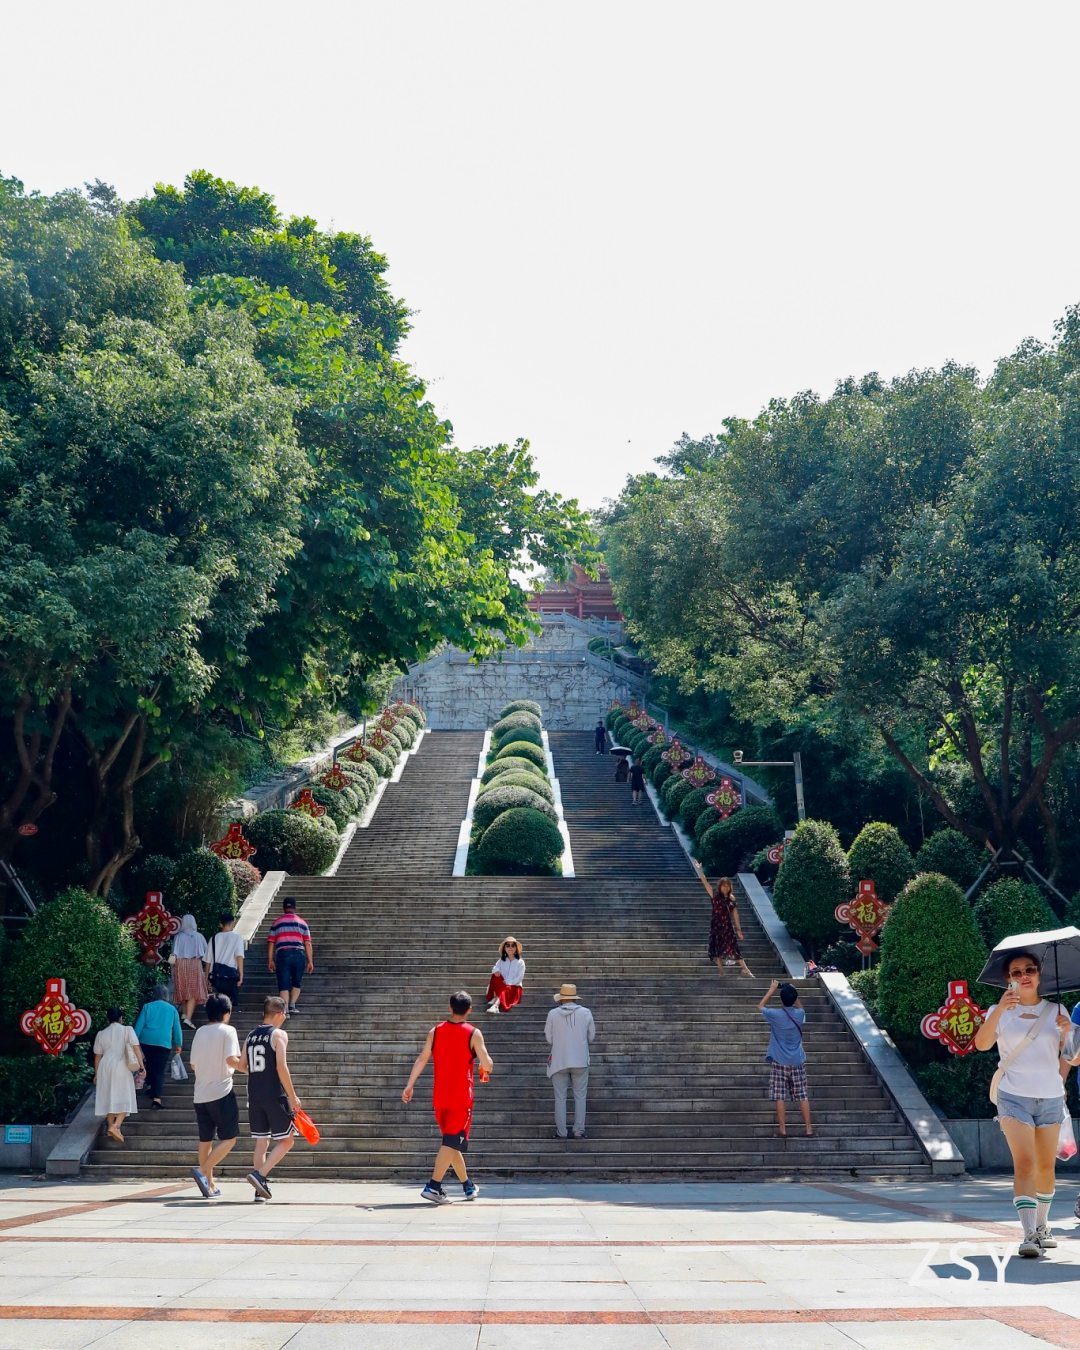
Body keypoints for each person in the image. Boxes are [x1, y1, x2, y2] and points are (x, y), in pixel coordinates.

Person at [975, 949, 1077, 1257]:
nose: (1024, 976)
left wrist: (1068, 1032)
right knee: (1026, 1163)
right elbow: (981, 1044)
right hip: (1012, 1097)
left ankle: (1044, 1226)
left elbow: (1074, 1057)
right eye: (1016, 972)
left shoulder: (1057, 1009)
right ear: (1007, 979)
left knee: (1046, 1167)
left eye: (1029, 970)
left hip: (1049, 1097)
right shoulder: (999, 1010)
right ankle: (1029, 1234)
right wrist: (998, 1011)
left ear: (1039, 974)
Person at [401, 990, 494, 1204]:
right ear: (469, 1010)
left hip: (440, 1097)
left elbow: (422, 1058)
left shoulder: (435, 1031)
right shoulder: (473, 1033)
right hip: (461, 1098)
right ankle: (433, 1186)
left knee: (451, 1143)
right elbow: (487, 1064)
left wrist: (410, 1085)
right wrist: (486, 1064)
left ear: (450, 1008)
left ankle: (468, 1186)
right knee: (451, 1142)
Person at [242, 995, 302, 1202]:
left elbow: (243, 1066)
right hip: (274, 1094)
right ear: (279, 1014)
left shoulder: (250, 1035)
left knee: (261, 1143)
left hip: (254, 1095)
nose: (285, 1018)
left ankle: (260, 1190)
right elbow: (281, 1066)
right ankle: (260, 1175)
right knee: (287, 1140)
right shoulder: (279, 1035)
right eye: (284, 1014)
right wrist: (293, 1096)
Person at [189, 992, 242, 1199]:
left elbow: (193, 1064)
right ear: (227, 1013)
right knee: (229, 1139)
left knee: (206, 1140)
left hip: (200, 1094)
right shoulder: (228, 1031)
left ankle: (209, 1184)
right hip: (222, 1092)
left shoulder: (200, 1031)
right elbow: (232, 1060)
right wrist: (248, 1068)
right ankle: (203, 1172)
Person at [759, 979, 813, 1139]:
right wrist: (793, 993)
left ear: (781, 999)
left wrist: (772, 990)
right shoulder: (800, 1014)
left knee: (780, 1095)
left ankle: (783, 1129)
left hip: (779, 1061)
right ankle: (808, 1128)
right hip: (797, 1060)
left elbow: (760, 1006)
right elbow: (800, 1007)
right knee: (802, 1094)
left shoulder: (775, 1015)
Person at [545, 984, 595, 1140]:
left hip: (559, 1060)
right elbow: (591, 1036)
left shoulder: (552, 1014)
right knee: (580, 1097)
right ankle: (578, 1130)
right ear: (574, 998)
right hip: (580, 1060)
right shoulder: (586, 1013)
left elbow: (549, 1038)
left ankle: (561, 1132)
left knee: (560, 1098)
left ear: (561, 999)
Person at [94, 1007, 144, 1144]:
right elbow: (135, 1047)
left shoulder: (101, 1033)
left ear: (108, 1019)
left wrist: (96, 1074)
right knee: (125, 1095)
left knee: (108, 1096)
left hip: (105, 1066)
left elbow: (98, 1056)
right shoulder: (127, 1030)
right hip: (121, 1065)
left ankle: (111, 1126)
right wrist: (141, 1065)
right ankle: (116, 1126)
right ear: (120, 1018)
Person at [133, 985, 182, 1109]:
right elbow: (177, 1028)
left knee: (149, 1063)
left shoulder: (147, 1007)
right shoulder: (172, 1010)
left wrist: (134, 1039)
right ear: (166, 995)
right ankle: (157, 1099)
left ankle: (150, 1086)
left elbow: (139, 1026)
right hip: (163, 1042)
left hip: (146, 1040)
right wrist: (178, 1043)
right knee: (159, 1070)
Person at [267, 896, 313, 1017]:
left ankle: (285, 1010)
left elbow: (271, 942)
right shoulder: (302, 923)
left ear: (283, 908)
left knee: (283, 983)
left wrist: (270, 960)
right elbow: (307, 943)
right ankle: (292, 1005)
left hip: (283, 954)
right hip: (299, 954)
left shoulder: (276, 922)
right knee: (296, 982)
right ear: (295, 908)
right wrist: (310, 961)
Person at [709, 877, 753, 978]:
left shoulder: (731, 900)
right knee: (717, 949)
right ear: (720, 887)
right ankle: (721, 971)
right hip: (716, 927)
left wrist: (738, 929)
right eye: (724, 886)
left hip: (727, 927)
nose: (726, 888)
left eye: (728, 886)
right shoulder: (715, 896)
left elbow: (736, 915)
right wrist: (700, 871)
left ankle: (744, 968)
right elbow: (705, 883)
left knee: (734, 947)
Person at [172, 914, 210, 1030]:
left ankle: (184, 1014)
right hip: (194, 963)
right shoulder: (199, 936)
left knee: (183, 988)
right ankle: (188, 1019)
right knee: (193, 991)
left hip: (180, 964)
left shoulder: (178, 936)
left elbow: (174, 953)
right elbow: (206, 953)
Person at [205, 911, 245, 1008]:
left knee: (217, 1002)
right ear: (232, 923)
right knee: (229, 1003)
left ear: (220, 924)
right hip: (230, 976)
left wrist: (206, 978)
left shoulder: (214, 938)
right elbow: (239, 956)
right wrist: (241, 973)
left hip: (216, 976)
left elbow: (208, 961)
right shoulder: (237, 938)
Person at [486, 936, 525, 1015]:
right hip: (502, 985)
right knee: (495, 975)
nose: (510, 947)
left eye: (513, 945)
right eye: (507, 945)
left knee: (505, 987)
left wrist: (508, 982)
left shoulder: (520, 962)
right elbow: (495, 968)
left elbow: (520, 977)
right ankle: (498, 998)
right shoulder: (501, 961)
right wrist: (496, 971)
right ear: (504, 948)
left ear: (516, 948)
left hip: (514, 987)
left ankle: (496, 1005)